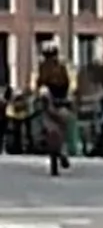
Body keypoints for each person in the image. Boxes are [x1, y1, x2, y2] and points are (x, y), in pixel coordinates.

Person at [35, 40, 73, 176]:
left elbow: (38, 84)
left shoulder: (44, 67)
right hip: (59, 100)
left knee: (51, 125)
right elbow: (69, 83)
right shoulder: (61, 67)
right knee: (62, 126)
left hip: (54, 100)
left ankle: (56, 147)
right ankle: (61, 150)